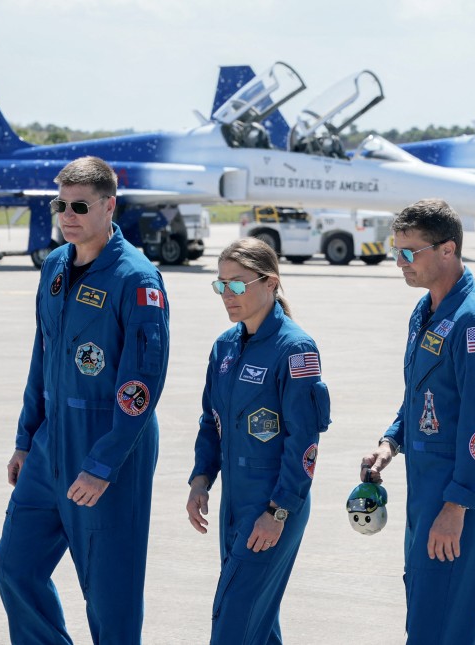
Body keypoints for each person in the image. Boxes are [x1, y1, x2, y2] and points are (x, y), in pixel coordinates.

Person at [0, 156, 170, 644]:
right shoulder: (54, 266)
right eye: (60, 204)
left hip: (109, 447)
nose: (66, 215)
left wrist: (103, 464)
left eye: (78, 205)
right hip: (50, 443)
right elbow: (41, 360)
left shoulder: (136, 280)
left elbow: (141, 387)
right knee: (14, 567)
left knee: (110, 594)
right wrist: (26, 439)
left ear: (109, 205)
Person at [361, 199, 475, 645]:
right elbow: (422, 395)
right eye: (396, 251)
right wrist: (391, 442)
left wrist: (457, 505)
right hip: (426, 480)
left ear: (448, 249)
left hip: (460, 483)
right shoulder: (426, 310)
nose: (400, 262)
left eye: (410, 252)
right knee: (436, 604)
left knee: (437, 620)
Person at [187, 238, 331, 644]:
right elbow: (209, 421)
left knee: (233, 620)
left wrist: (279, 511)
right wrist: (201, 480)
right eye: (221, 286)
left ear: (270, 283)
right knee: (258, 625)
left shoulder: (295, 349)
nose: (227, 296)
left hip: (271, 504)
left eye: (237, 285)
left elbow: (304, 441)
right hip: (235, 500)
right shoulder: (225, 347)